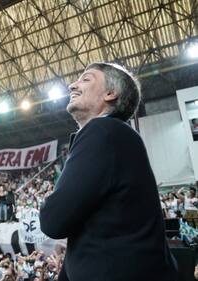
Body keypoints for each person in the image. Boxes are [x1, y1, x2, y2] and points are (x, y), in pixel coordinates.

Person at [39, 62, 178, 281]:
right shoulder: (115, 135)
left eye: (86, 79)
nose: (72, 85)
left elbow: (53, 220)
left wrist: (46, 203)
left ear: (110, 93)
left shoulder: (102, 130)